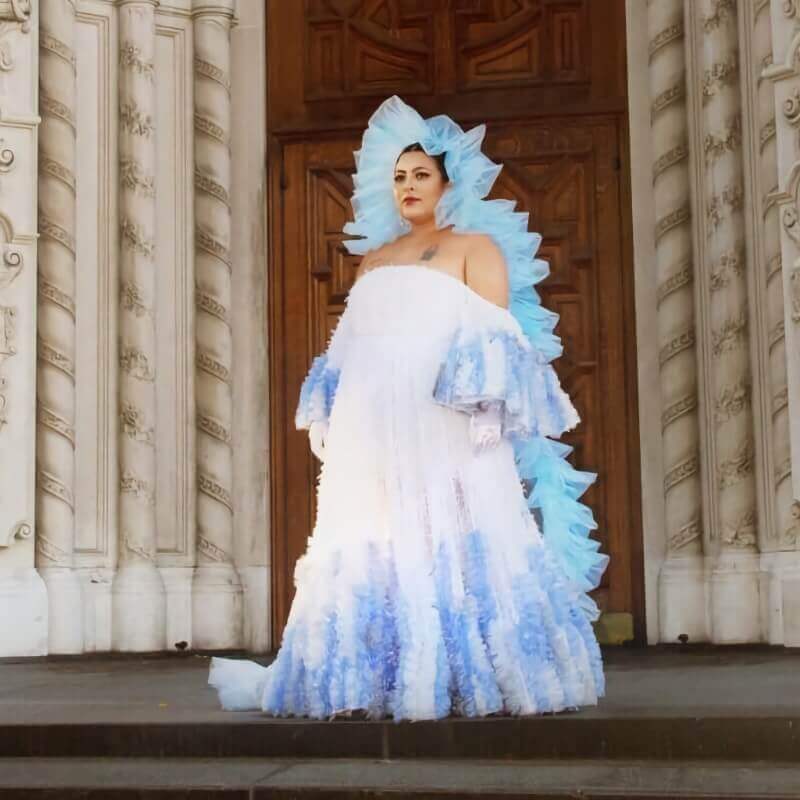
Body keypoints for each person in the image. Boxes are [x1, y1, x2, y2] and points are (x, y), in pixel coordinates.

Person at [208, 95, 608, 721]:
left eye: (421, 174)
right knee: (376, 533)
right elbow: (350, 345)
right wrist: (331, 411)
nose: (408, 186)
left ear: (449, 183)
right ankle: (369, 672)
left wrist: (486, 409)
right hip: (376, 428)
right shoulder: (374, 259)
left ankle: (467, 668)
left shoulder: (475, 247)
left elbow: (497, 336)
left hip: (446, 420)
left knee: (458, 529)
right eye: (399, 177)